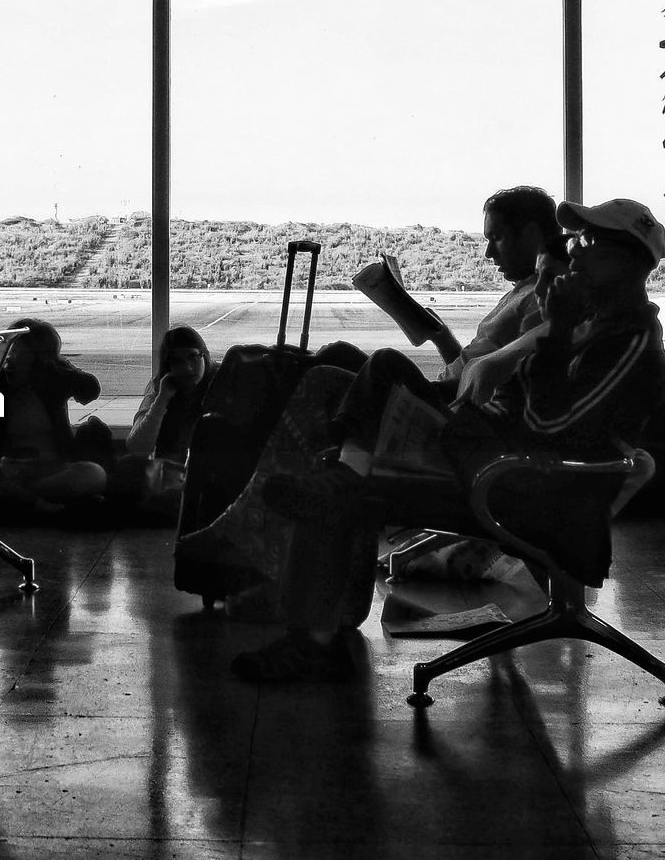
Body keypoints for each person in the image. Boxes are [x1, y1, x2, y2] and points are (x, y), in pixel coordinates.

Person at [230, 197, 665, 681]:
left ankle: (310, 642)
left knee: (352, 488)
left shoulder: (629, 337)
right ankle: (319, 614)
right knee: (355, 442)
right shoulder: (596, 325)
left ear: (628, 260)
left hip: (524, 485)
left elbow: (547, 428)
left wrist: (557, 329)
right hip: (501, 461)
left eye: (589, 243)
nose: (575, 253)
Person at [175, 186, 569, 601]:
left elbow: (495, 382)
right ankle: (258, 502)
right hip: (451, 397)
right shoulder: (523, 291)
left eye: (496, 238)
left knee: (353, 370)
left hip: (460, 418)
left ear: (529, 233)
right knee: (332, 360)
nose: (489, 253)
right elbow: (471, 367)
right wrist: (439, 335)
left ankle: (313, 486)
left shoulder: (546, 298)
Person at [0, 318, 107, 512]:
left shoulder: (52, 384)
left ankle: (24, 500)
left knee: (94, 474)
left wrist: (59, 365)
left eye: (17, 351)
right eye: (7, 350)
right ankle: (42, 503)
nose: (9, 357)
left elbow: (90, 390)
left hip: (51, 469)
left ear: (37, 357)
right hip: (7, 472)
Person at [126, 325, 217, 463]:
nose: (187, 367)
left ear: (204, 355)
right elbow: (137, 447)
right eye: (178, 361)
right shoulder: (161, 387)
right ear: (169, 366)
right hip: (174, 473)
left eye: (193, 357)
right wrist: (162, 399)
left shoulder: (221, 380)